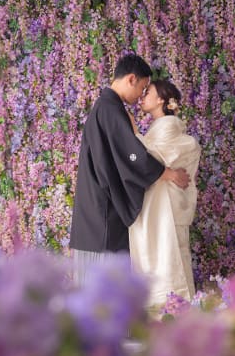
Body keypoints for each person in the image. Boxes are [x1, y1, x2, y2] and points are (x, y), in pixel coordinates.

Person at [69, 55, 190, 285]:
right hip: (101, 211)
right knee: (103, 288)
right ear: (131, 79)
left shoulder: (105, 106)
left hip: (94, 209)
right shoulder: (110, 108)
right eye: (143, 88)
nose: (140, 96)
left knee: (94, 288)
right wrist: (169, 174)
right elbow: (131, 154)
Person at [128, 79, 201, 307]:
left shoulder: (168, 127)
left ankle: (170, 315)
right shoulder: (156, 129)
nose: (142, 95)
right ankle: (169, 315)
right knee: (163, 260)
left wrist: (132, 134)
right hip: (157, 207)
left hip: (165, 210)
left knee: (168, 260)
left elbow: (153, 158)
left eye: (148, 92)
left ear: (161, 99)